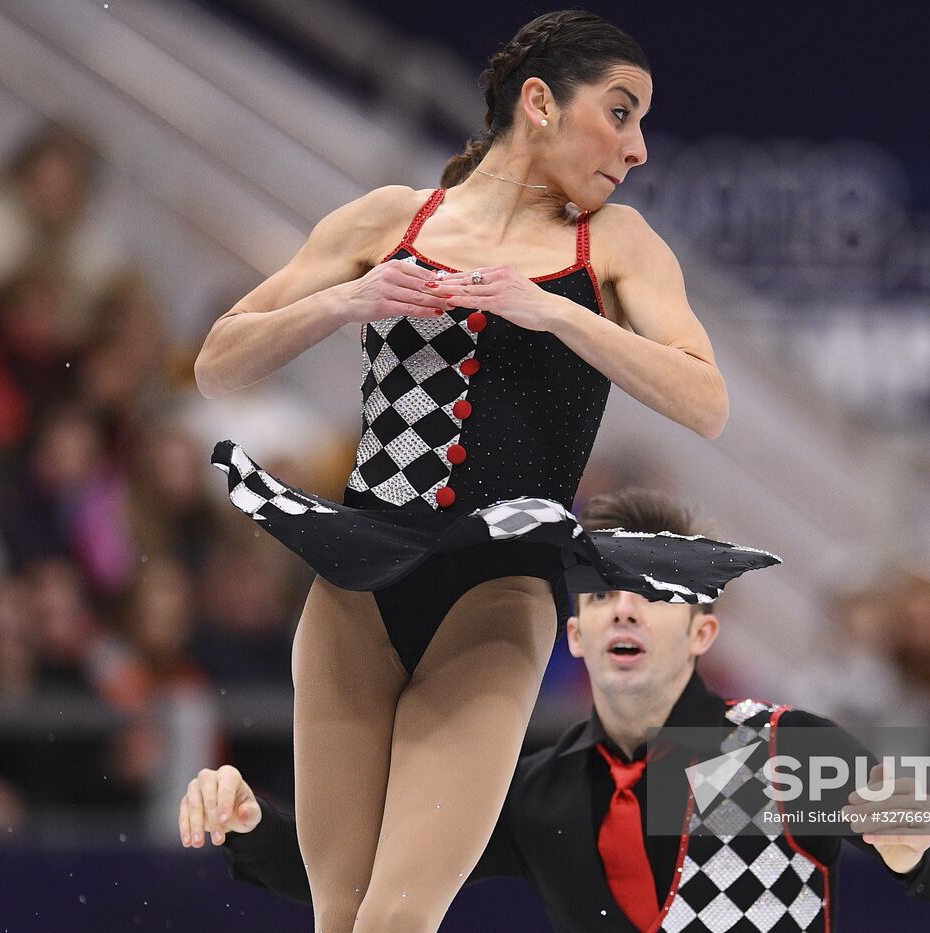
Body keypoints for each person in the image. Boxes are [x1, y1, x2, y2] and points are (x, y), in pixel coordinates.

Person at [192, 11, 780, 932]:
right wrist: (350, 297)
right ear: (540, 103)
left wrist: (557, 315)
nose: (638, 148)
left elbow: (706, 400)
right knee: (337, 914)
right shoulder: (389, 219)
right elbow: (218, 362)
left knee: (396, 919)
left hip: (496, 594)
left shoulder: (613, 244)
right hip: (358, 587)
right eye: (621, 114)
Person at [182, 489, 930, 932]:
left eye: (654, 595)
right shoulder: (544, 791)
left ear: (703, 631)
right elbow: (365, 883)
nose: (624, 609)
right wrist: (251, 820)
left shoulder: (787, 753)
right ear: (569, 631)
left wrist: (916, 846)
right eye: (605, 591)